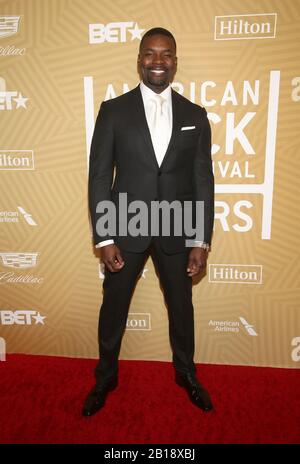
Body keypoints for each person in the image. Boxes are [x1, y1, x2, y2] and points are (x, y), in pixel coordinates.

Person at [83, 27, 214, 417]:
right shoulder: (114, 111)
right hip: (125, 230)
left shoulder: (195, 115)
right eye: (150, 54)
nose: (158, 61)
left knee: (182, 307)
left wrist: (200, 241)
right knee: (114, 308)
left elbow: (203, 181)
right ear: (139, 59)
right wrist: (104, 236)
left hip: (177, 230)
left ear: (175, 61)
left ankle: (185, 373)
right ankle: (105, 377)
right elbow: (99, 178)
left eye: (166, 54)